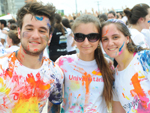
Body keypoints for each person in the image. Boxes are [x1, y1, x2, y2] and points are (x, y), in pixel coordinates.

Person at [0, 2, 64, 113]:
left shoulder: (55, 73)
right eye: (29, 29)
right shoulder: (2, 68)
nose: (35, 36)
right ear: (19, 32)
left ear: (49, 37)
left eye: (42, 30)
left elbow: (54, 107)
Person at [56, 14, 114, 113]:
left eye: (92, 36)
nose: (86, 42)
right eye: (80, 37)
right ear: (74, 37)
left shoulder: (107, 64)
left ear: (99, 38)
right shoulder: (63, 63)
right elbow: (53, 100)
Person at [101, 20, 150, 113]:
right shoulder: (115, 76)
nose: (110, 43)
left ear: (127, 38)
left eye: (115, 37)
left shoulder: (145, 59)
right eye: (105, 39)